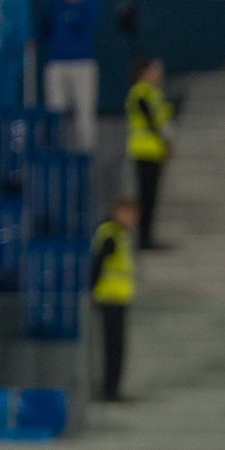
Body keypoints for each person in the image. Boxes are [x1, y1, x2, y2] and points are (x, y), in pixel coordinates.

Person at [38, 0, 100, 153]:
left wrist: (74, 4)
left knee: (84, 114)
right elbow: (45, 28)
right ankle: (54, 153)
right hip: (57, 64)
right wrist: (35, 41)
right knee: (54, 112)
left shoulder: (89, 4)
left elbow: (87, 25)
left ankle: (85, 156)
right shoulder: (55, 3)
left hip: (82, 64)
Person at [88, 195, 137, 402]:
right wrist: (92, 292)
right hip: (110, 298)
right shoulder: (110, 234)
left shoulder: (117, 233)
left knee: (116, 347)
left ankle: (112, 388)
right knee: (113, 348)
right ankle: (110, 390)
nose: (132, 218)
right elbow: (97, 265)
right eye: (129, 213)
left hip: (118, 298)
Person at [124, 57, 175, 251]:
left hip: (153, 151)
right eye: (154, 71)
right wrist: (166, 142)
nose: (159, 75)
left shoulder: (153, 94)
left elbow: (162, 120)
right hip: (144, 151)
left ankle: (147, 238)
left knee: (151, 197)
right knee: (146, 196)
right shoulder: (140, 93)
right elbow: (153, 122)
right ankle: (143, 239)